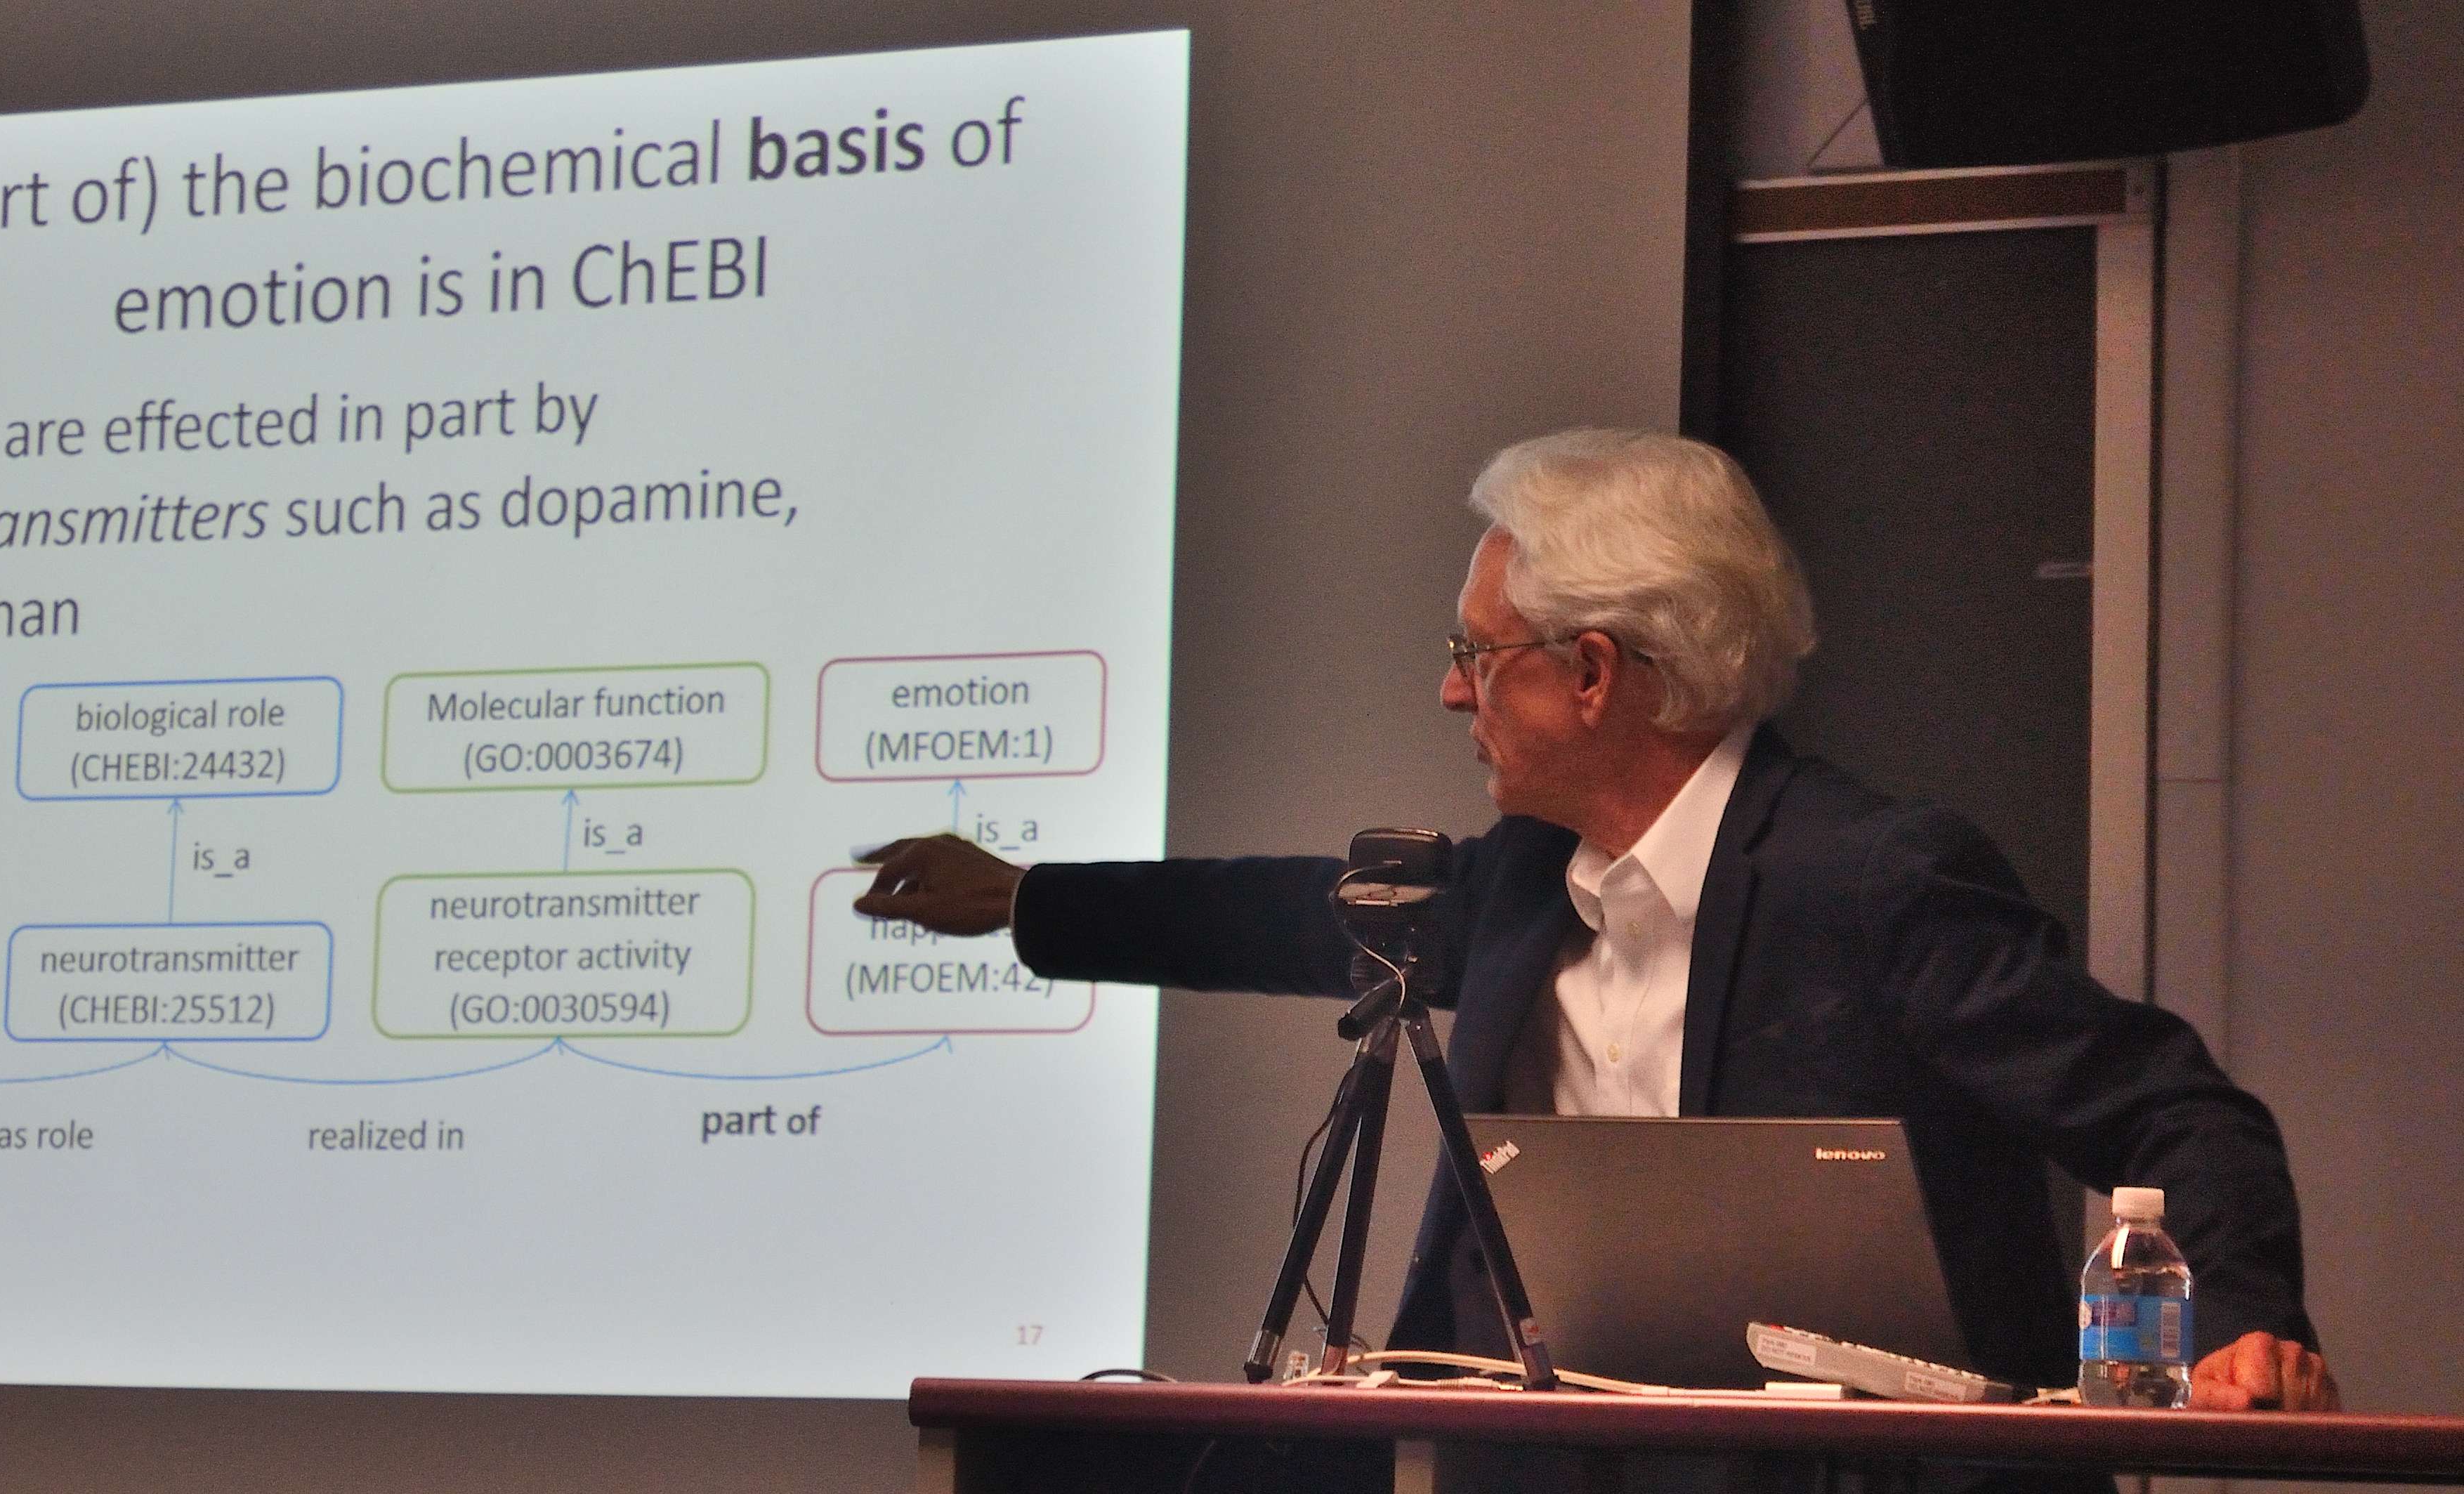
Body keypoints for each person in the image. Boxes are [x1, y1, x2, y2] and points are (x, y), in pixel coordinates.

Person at [855, 428, 2335, 1415]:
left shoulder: (1875, 880)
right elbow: (1280, 915)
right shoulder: (1517, 882)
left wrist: (2241, 1322)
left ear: (1589, 673)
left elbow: (2173, 1112)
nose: (1449, 690)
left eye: (1474, 653)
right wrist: (1027, 898)